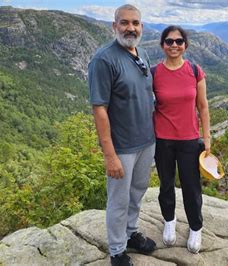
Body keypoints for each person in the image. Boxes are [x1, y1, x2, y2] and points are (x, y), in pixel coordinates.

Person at [88, 4, 156, 266]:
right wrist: (110, 155)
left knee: (137, 192)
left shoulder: (143, 53)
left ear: (141, 26)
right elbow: (99, 109)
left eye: (135, 23)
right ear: (114, 26)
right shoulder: (104, 59)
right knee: (118, 199)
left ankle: (130, 233)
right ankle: (117, 250)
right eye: (125, 23)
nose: (131, 28)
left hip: (146, 141)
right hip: (122, 147)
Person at [151, 25, 211, 254]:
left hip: (189, 140)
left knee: (191, 186)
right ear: (162, 45)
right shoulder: (155, 73)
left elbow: (203, 107)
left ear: (185, 45)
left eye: (178, 41)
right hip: (162, 139)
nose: (174, 45)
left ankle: (196, 227)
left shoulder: (195, 71)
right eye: (169, 41)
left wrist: (207, 138)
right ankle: (169, 221)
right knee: (166, 184)